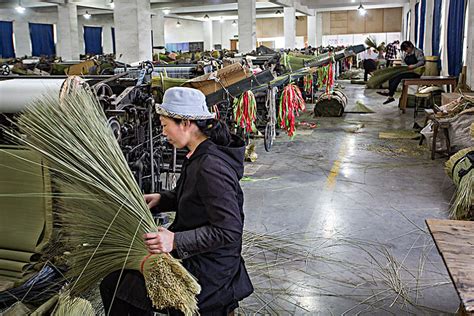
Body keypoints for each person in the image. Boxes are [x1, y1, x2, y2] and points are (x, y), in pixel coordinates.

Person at [100, 87, 254, 316]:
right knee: (119, 282)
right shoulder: (198, 155)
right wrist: (162, 199)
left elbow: (229, 230)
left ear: (185, 123)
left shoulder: (211, 167)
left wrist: (175, 240)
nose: (163, 133)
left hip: (210, 269)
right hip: (199, 256)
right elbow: (193, 196)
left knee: (116, 286)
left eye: (164, 125)